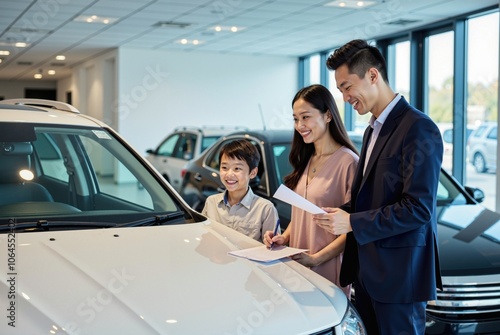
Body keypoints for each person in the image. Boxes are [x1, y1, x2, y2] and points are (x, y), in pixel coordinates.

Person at [314, 39, 443, 335]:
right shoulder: (372, 128)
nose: (345, 97)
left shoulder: (418, 128)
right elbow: (373, 198)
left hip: (399, 278)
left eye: (347, 87)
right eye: (341, 90)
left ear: (373, 75)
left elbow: (418, 209)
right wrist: (342, 213)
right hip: (367, 274)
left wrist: (352, 222)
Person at [263, 84, 359, 297]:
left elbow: (354, 228)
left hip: (328, 267)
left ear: (327, 115)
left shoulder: (348, 163)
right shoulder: (307, 158)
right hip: (299, 264)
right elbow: (303, 214)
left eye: (305, 117)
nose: (299, 125)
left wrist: (317, 259)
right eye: (296, 119)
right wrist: (284, 238)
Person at [202, 139, 279, 243]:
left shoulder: (265, 209)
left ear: (253, 172)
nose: (229, 174)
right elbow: (203, 236)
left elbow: (273, 249)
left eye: (237, 168)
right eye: (224, 167)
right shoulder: (211, 202)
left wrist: (271, 242)